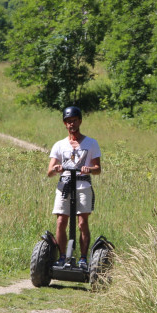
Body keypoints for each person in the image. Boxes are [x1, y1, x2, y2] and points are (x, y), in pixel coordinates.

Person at [47, 106, 102, 270]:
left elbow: (98, 169)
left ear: (80, 121)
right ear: (65, 124)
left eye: (74, 121)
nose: (72, 124)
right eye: (68, 121)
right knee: (61, 222)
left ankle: (83, 258)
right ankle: (63, 256)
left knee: (82, 223)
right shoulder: (59, 145)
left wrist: (89, 169)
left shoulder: (91, 143)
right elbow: (49, 171)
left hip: (83, 184)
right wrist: (56, 168)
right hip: (64, 185)